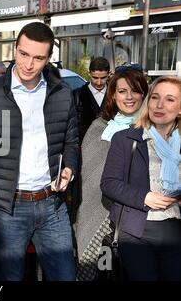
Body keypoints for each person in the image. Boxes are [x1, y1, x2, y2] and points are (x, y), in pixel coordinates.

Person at [0, 22, 79, 281]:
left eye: (38, 57)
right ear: (15, 50)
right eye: (23, 54)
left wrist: (69, 169)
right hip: (7, 210)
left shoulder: (63, 93)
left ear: (49, 58)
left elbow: (72, 143)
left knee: (66, 277)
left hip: (52, 205)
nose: (29, 64)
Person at [101, 76, 181, 281]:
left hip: (175, 229)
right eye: (155, 97)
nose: (160, 104)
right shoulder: (126, 138)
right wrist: (144, 197)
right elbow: (109, 183)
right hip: (137, 230)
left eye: (170, 99)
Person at [75, 66, 148, 281]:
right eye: (122, 91)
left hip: (137, 221)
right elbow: (87, 180)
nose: (129, 97)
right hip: (98, 217)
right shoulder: (99, 127)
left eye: (135, 91)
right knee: (103, 273)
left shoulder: (153, 129)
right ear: (113, 94)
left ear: (143, 94)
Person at [74, 57, 110, 142]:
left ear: (109, 74)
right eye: (95, 78)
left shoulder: (115, 95)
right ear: (89, 73)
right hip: (83, 148)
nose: (99, 82)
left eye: (103, 78)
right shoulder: (76, 95)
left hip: (110, 147)